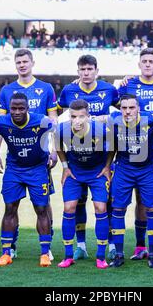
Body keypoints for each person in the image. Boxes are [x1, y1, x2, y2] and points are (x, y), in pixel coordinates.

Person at [100, 94, 153, 269]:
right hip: (124, 169)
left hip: (147, 170)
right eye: (124, 108)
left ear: (138, 108)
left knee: (152, 209)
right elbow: (111, 146)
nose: (127, 112)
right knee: (118, 209)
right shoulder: (114, 121)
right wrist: (107, 167)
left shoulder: (151, 120)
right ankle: (118, 255)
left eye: (131, 108)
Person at [0, 49, 58, 260]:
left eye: (25, 61)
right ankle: (10, 246)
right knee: (11, 204)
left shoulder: (45, 88)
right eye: (18, 62)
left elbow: (54, 121)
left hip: (39, 158)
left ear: (32, 62)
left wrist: (53, 150)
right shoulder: (6, 91)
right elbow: (0, 126)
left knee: (44, 202)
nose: (22, 65)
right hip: (15, 156)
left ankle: (46, 246)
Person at [57, 54, 119, 260]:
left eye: (89, 69)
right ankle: (81, 246)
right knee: (78, 203)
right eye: (82, 69)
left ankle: (109, 245)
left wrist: (105, 119)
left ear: (96, 70)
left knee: (105, 204)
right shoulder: (69, 90)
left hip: (101, 153)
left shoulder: (109, 89)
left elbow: (124, 112)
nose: (86, 73)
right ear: (78, 72)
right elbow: (54, 112)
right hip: (77, 155)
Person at [118, 48, 153, 262]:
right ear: (139, 64)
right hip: (137, 147)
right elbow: (119, 110)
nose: (148, 64)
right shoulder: (128, 84)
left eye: (152, 61)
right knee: (140, 199)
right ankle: (140, 245)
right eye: (144, 61)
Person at [0, 93, 56, 268]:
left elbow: (55, 130)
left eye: (21, 108)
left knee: (41, 208)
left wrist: (54, 151)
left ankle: (44, 252)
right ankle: (6, 252)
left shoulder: (41, 120)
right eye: (14, 108)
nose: (17, 112)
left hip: (37, 169)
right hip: (14, 169)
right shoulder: (2, 122)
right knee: (10, 208)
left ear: (28, 108)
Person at [55, 99, 114, 269]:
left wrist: (107, 166)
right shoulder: (61, 129)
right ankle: (68, 256)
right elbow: (57, 144)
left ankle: (101, 257)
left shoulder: (101, 130)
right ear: (69, 116)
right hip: (74, 172)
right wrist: (65, 166)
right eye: (74, 116)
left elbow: (113, 146)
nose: (77, 121)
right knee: (69, 207)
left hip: (97, 173)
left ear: (88, 116)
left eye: (81, 116)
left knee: (101, 208)